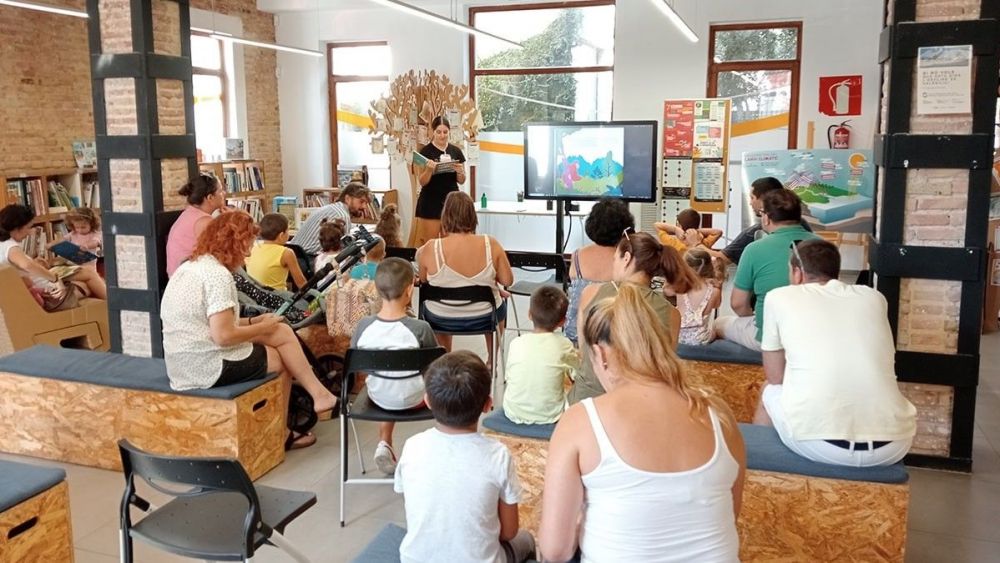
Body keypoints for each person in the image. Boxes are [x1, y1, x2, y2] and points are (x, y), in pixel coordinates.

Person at [539, 285, 746, 562]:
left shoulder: (581, 420)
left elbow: (555, 550)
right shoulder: (720, 414)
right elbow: (728, 514)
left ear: (601, 354)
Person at [160, 212, 338, 450]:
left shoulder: (192, 267)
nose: (249, 253)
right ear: (234, 244)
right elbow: (223, 336)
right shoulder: (218, 276)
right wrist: (262, 326)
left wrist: (256, 322)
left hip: (182, 360)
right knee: (281, 360)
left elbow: (212, 323)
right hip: (204, 366)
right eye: (247, 245)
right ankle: (281, 433)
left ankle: (319, 394)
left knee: (279, 331)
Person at [756, 239, 916, 466]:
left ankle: (761, 466)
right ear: (836, 272)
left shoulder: (779, 297)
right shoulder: (874, 297)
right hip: (894, 445)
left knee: (769, 389)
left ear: (797, 273)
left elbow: (775, 377)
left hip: (821, 445)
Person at [394, 350, 535, 563]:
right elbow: (509, 532)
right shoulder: (497, 455)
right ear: (488, 405)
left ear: (428, 401)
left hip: (415, 559)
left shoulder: (412, 446)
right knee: (527, 539)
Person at [567, 229, 698, 404]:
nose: (613, 265)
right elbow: (663, 370)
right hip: (642, 405)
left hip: (586, 401)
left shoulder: (590, 293)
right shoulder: (672, 314)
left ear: (626, 258)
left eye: (615, 259)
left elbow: (585, 352)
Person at [351, 257, 438, 475]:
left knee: (386, 378)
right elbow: (435, 368)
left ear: (377, 289)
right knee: (409, 381)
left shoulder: (363, 326)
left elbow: (356, 362)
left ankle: (384, 442)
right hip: (416, 399)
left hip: (378, 396)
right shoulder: (421, 328)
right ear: (409, 290)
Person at [416, 191, 512, 370]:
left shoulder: (430, 248)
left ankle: (445, 359)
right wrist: (490, 282)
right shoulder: (490, 244)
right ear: (472, 216)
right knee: (498, 304)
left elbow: (423, 280)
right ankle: (491, 361)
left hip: (441, 317)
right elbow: (508, 279)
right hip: (484, 316)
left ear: (445, 216)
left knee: (437, 305)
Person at [715, 190, 818, 352]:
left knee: (718, 324)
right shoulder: (825, 246)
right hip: (813, 337)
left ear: (766, 217)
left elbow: (738, 304)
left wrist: (754, 319)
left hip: (770, 338)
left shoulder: (754, 249)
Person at [502, 286, 579, 425]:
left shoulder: (516, 343)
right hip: (551, 416)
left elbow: (508, 376)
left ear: (529, 314)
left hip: (513, 412)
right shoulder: (564, 345)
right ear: (563, 321)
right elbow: (578, 375)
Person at [565, 197, 635, 346]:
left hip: (576, 333)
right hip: (614, 336)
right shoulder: (626, 260)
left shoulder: (577, 255)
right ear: (625, 228)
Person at [0, 204, 107, 301]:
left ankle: (110, 304)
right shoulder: (11, 247)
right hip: (50, 293)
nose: (29, 233)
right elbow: (26, 265)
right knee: (89, 279)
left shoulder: (3, 244)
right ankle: (113, 305)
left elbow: (21, 266)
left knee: (89, 275)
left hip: (44, 286)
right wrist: (55, 279)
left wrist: (35, 263)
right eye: (28, 228)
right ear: (16, 228)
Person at [715, 177, 813, 266]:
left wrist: (703, 245)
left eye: (752, 198)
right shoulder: (807, 230)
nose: (750, 203)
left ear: (764, 200)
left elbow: (720, 259)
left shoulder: (754, 236)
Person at [411, 116, 467, 247]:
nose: (442, 135)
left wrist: (460, 172)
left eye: (445, 132)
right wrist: (429, 170)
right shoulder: (425, 151)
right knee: (432, 244)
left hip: (451, 201)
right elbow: (422, 182)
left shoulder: (456, 151)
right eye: (439, 132)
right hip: (431, 202)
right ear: (433, 132)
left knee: (452, 244)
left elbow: (461, 180)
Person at [166, 174, 228, 277]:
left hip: (180, 277)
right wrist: (231, 220)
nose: (224, 193)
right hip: (189, 280)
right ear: (210, 197)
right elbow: (224, 254)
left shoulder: (190, 213)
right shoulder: (205, 221)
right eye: (220, 191)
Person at [293, 182, 371, 256]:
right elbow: (343, 252)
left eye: (366, 203)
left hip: (295, 254)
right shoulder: (342, 216)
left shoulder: (329, 208)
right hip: (309, 258)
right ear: (347, 199)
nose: (364, 207)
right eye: (361, 202)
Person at [670, 247, 722, 346]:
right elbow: (717, 305)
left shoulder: (681, 287)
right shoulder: (714, 291)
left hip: (679, 337)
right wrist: (718, 285)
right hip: (700, 339)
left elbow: (667, 291)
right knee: (715, 331)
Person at [245, 213, 307, 291]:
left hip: (254, 294)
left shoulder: (252, 248)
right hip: (277, 296)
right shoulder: (286, 253)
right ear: (281, 235)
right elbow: (301, 283)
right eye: (288, 230)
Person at [654, 208, 723, 253]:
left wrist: (675, 229)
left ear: (679, 225)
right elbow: (718, 232)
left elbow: (656, 225)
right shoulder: (703, 243)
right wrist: (696, 231)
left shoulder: (672, 242)